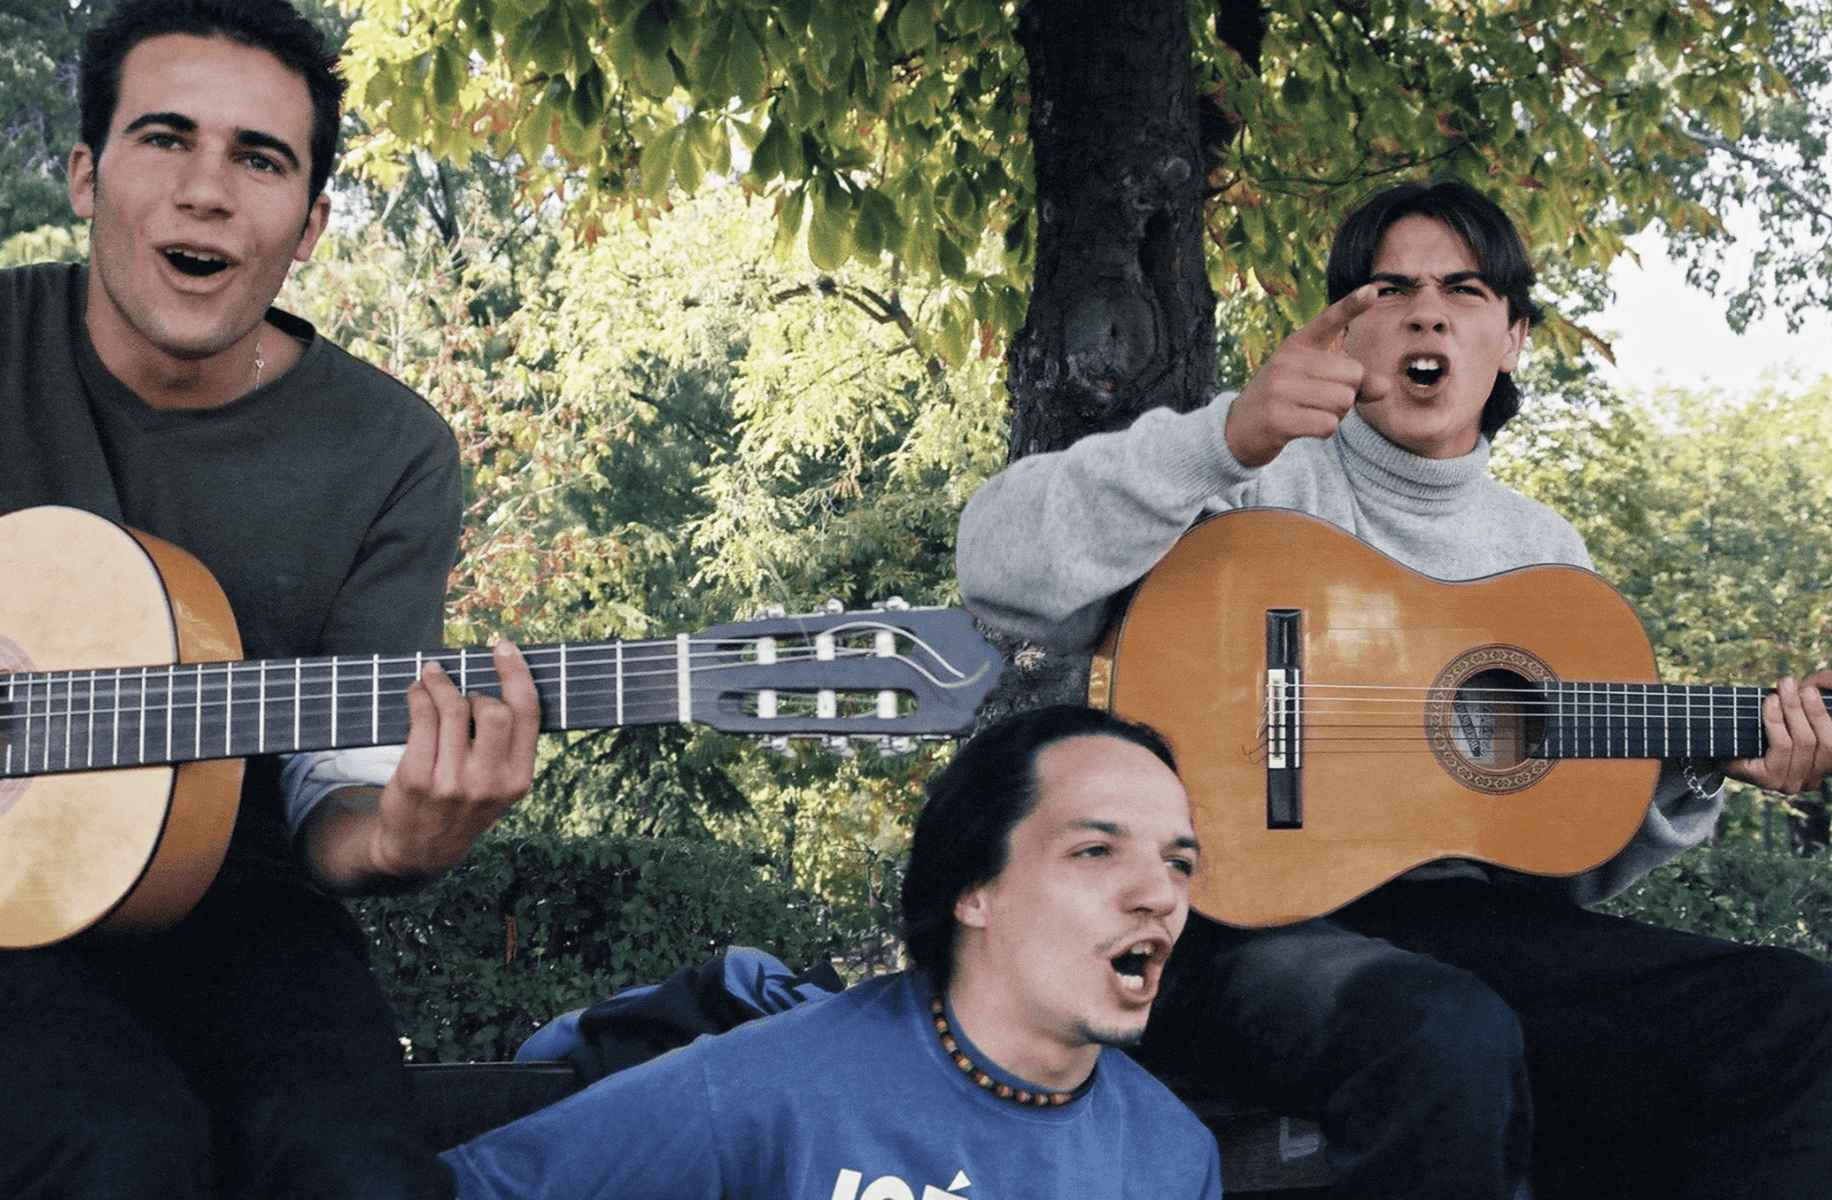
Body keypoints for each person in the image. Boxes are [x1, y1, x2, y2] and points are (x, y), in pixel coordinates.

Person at [956, 179, 1832, 1198]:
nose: (1426, 311)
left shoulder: (1546, 560)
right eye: (1390, 287)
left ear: (1509, 338)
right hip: (1214, 920)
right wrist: (1223, 434)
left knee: (1790, 1015)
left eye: (1464, 290)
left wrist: (1693, 776)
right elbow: (993, 568)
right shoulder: (1243, 469)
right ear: (1344, 327)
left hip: (1460, 935)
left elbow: (1553, 865)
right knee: (1441, 1034)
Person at [0, 2, 540, 1196]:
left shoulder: (387, 450)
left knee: (357, 1170)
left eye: (260, 158)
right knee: (113, 1151)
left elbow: (334, 806)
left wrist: (400, 840)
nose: (208, 190)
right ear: (86, 174)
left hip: (229, 900)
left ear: (308, 226)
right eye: (164, 139)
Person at [441, 706, 1223, 1200]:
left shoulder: (1172, 1158)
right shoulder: (769, 1086)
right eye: (1096, 852)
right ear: (973, 889)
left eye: (1178, 863)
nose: (1157, 893)